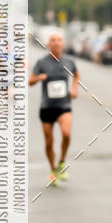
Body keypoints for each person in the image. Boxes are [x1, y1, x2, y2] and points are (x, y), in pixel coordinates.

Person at [29, 31, 79, 186]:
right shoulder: (42, 63)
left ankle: (62, 162)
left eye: (59, 40)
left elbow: (76, 76)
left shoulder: (69, 61)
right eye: (53, 40)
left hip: (64, 106)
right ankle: (53, 170)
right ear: (48, 44)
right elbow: (30, 81)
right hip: (47, 107)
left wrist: (74, 89)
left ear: (63, 43)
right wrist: (38, 78)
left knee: (66, 134)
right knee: (49, 142)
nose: (56, 43)